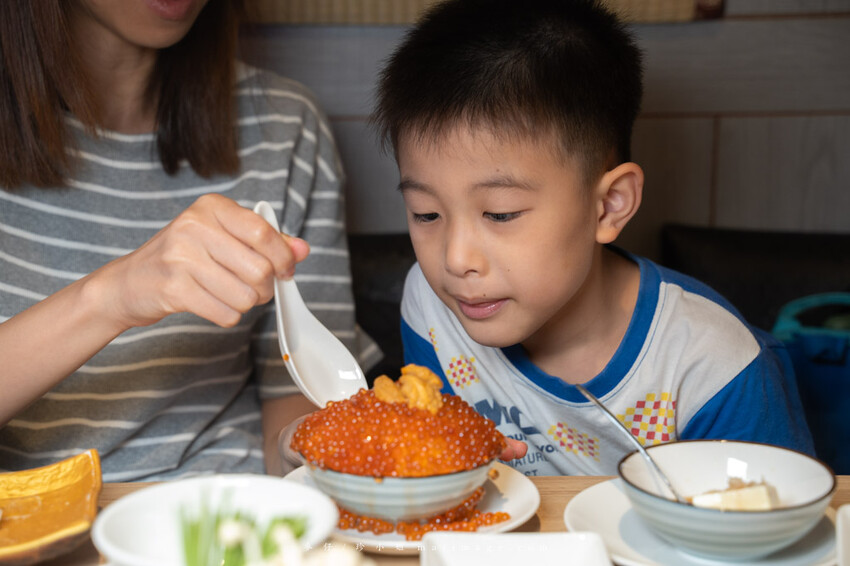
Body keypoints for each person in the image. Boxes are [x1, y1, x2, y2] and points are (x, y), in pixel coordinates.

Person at [372, 0, 814, 476]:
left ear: (608, 206)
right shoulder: (434, 308)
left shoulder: (713, 369)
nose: (455, 259)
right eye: (427, 213)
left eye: (500, 214)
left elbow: (771, 534)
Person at [0, 0, 379, 481]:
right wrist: (111, 298)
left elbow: (297, 394)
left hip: (230, 528)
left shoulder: (284, 127)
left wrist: (313, 457)